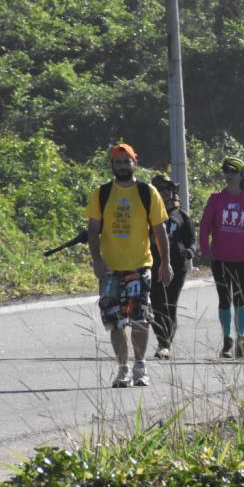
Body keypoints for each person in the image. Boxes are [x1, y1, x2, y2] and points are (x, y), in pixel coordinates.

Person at [86, 143, 171, 388]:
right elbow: (93, 231)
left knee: (140, 318)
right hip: (111, 269)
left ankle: (140, 366)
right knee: (114, 321)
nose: (123, 166)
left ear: (135, 162)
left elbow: (159, 230)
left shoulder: (148, 192)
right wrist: (97, 261)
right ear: (112, 165)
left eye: (127, 161)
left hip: (139, 266)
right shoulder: (101, 194)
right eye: (118, 162)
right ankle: (123, 368)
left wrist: (165, 263)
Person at [199, 157, 244, 359]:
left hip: (243, 256)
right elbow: (205, 225)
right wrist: (205, 250)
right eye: (226, 171)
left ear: (241, 174)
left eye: (233, 171)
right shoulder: (216, 198)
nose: (229, 175)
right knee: (224, 298)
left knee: (240, 298)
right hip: (221, 257)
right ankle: (227, 340)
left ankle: (241, 339)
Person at [149, 174, 196, 360]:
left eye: (168, 188)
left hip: (177, 265)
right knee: (154, 305)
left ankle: (164, 344)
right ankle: (162, 339)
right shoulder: (146, 215)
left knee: (170, 305)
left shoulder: (181, 215)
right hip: (152, 264)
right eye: (161, 189)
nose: (165, 192)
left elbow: (191, 239)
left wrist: (190, 251)